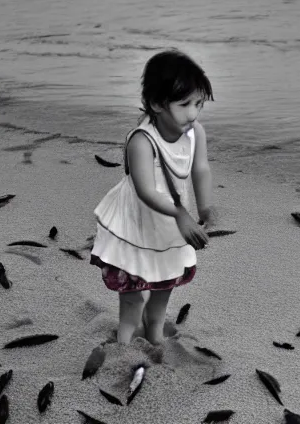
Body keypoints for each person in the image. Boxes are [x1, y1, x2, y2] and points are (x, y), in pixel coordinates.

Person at [90, 49, 217, 345]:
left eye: (199, 103)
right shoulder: (141, 141)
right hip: (136, 223)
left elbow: (201, 169)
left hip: (168, 225)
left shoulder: (195, 132)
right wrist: (180, 214)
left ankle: (155, 328)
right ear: (158, 104)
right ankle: (125, 337)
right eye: (184, 104)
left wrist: (205, 207)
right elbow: (146, 190)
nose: (193, 112)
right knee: (133, 294)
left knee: (164, 283)